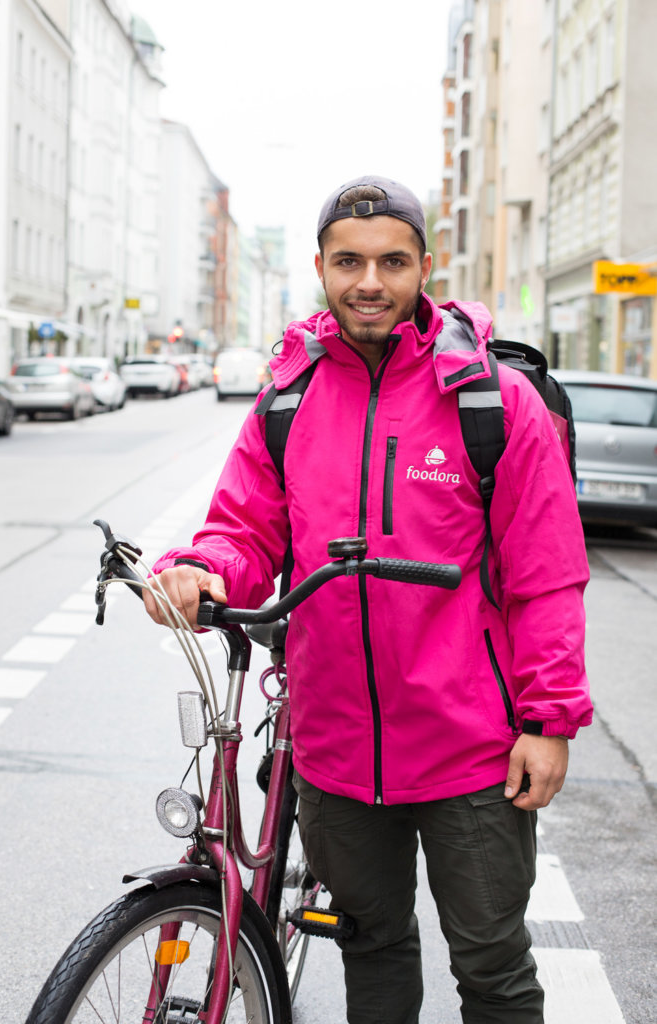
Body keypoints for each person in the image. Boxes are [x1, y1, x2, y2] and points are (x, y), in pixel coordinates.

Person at [144, 175, 593, 1024]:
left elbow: (545, 575)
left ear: (426, 266)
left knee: (492, 969)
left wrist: (548, 720)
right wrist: (202, 569)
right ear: (319, 266)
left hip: (472, 748)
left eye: (391, 261)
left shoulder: (492, 404)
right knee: (371, 949)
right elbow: (242, 532)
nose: (369, 282)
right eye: (348, 261)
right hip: (336, 749)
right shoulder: (288, 398)